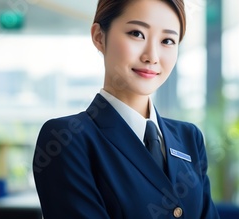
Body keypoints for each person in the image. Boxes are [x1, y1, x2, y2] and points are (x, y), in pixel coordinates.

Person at [32, 0, 220, 218]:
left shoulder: (189, 138)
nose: (152, 56)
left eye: (167, 40)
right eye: (137, 34)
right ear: (99, 37)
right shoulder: (67, 139)